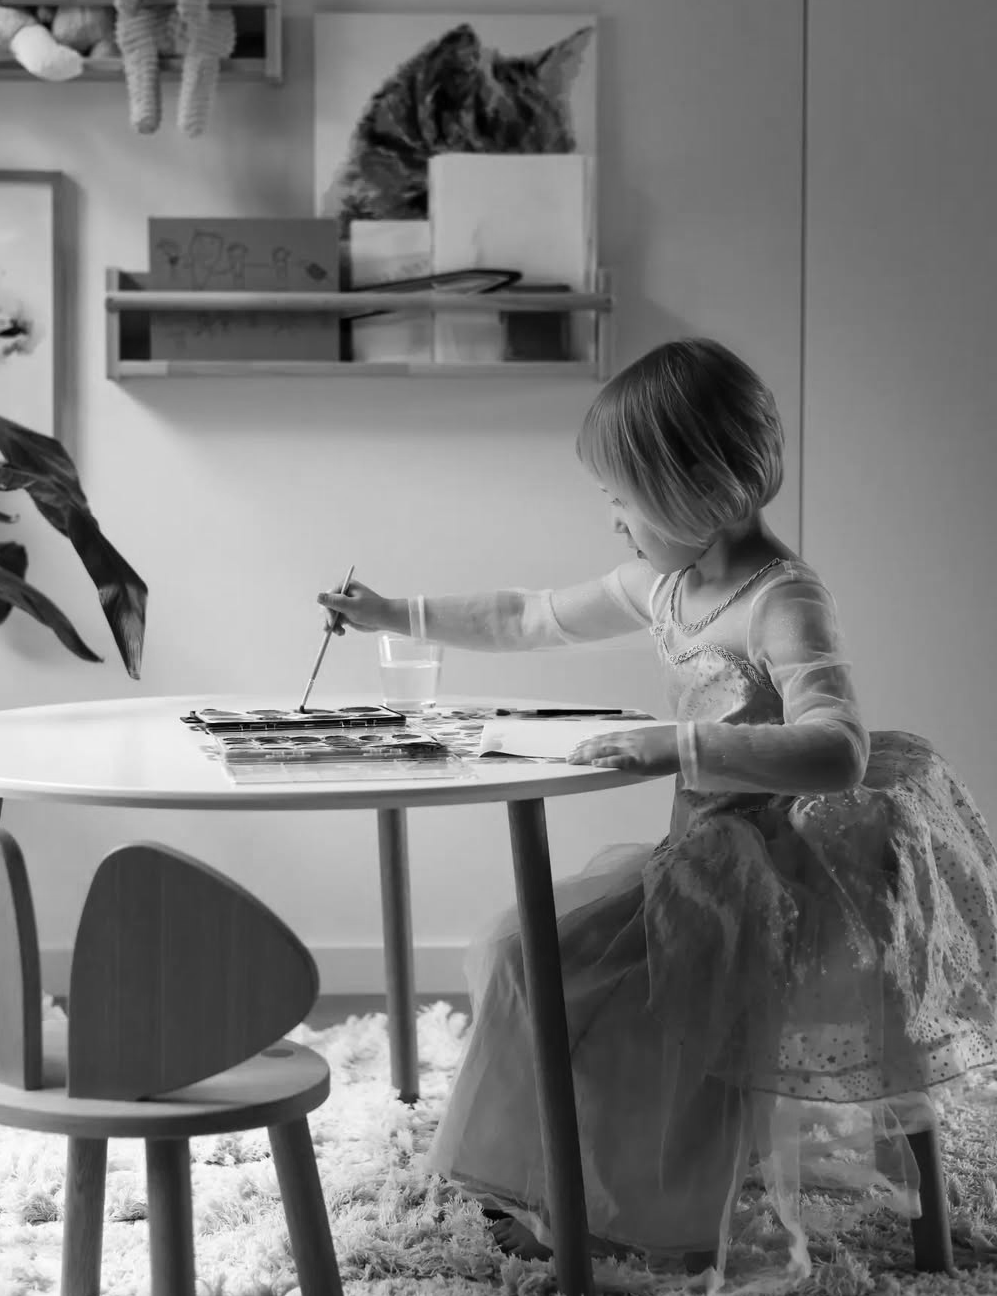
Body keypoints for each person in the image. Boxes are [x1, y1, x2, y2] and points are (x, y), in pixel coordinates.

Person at [316, 338, 997, 1284]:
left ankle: (645, 1208)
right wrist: (399, 613)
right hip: (699, 852)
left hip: (774, 869)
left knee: (616, 999)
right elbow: (530, 616)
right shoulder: (666, 585)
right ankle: (547, 1181)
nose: (612, 523)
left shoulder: (784, 601)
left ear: (693, 492)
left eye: (622, 500)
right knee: (523, 957)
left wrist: (674, 745)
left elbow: (837, 750)